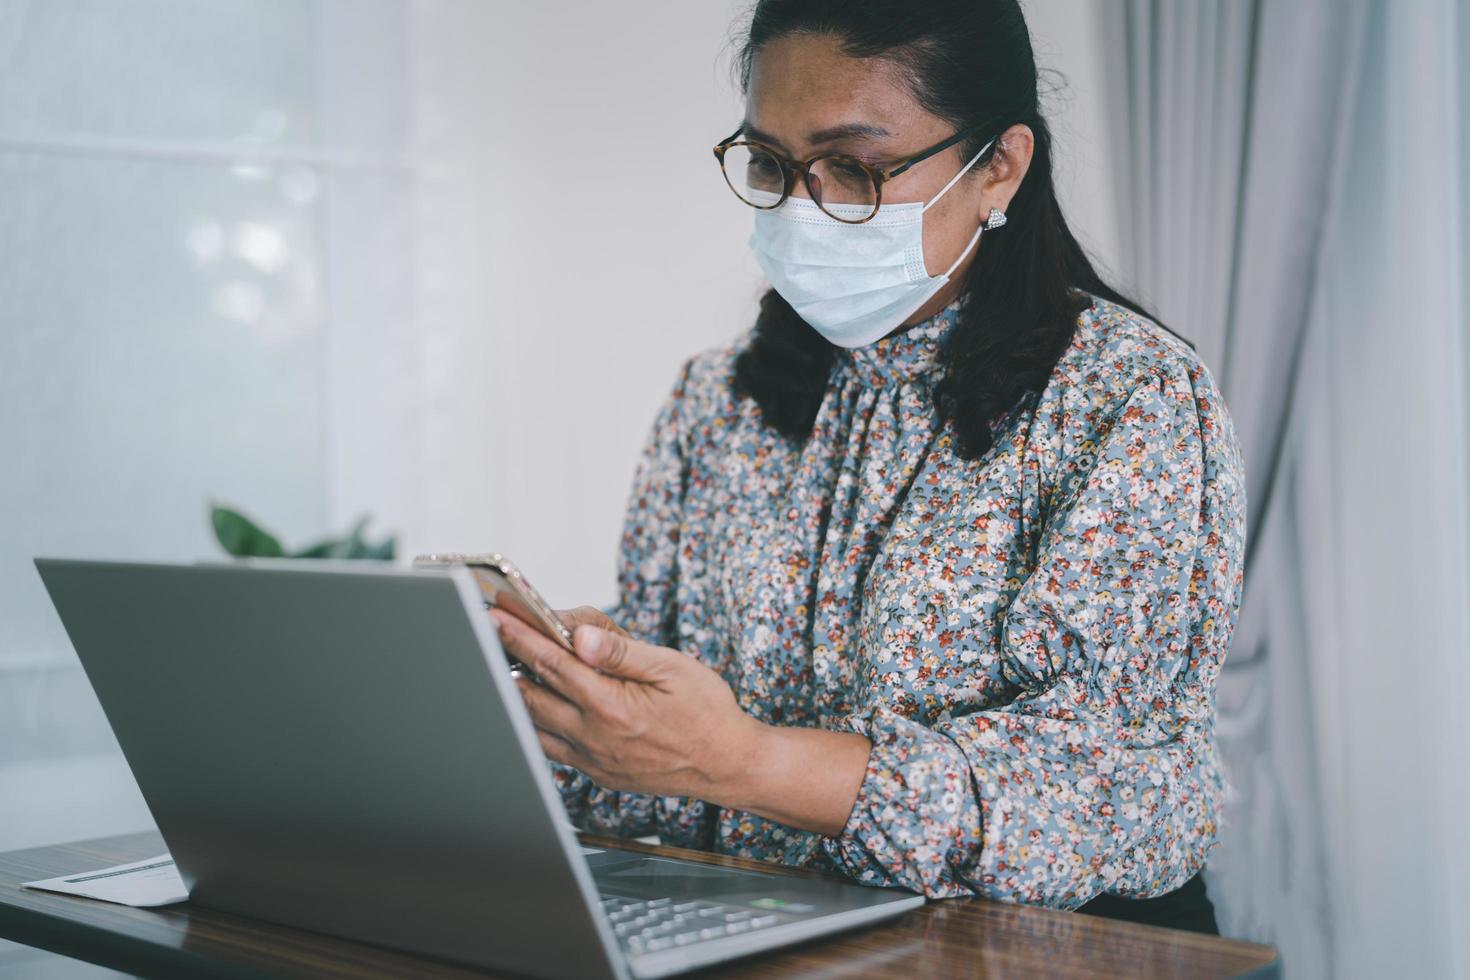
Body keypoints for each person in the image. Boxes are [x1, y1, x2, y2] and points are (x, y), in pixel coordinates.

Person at [490, 0, 1244, 936]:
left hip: (1043, 949)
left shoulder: (1127, 396)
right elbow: (664, 756)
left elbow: (1110, 795)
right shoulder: (715, 398)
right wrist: (589, 698)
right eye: (770, 164)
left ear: (998, 168)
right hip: (757, 929)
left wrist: (744, 762)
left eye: (854, 167)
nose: (804, 208)